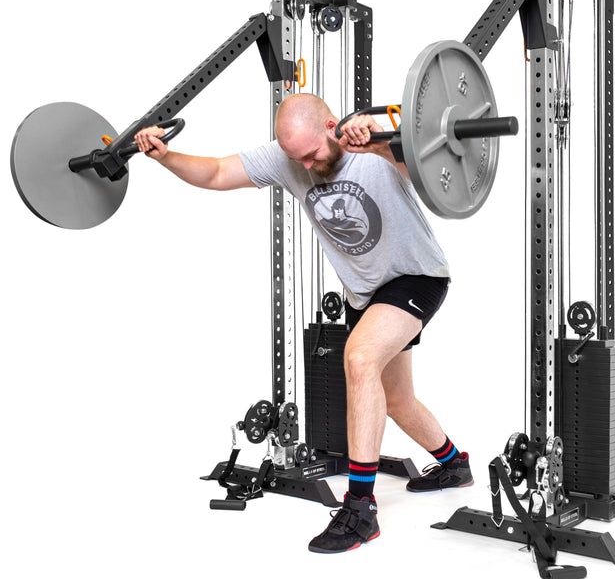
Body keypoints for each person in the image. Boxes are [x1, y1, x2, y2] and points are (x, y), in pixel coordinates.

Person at [134, 93, 473, 553]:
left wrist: (381, 145)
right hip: (365, 294)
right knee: (395, 399)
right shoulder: (288, 157)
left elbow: (436, 175)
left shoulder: (374, 136)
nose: (309, 166)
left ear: (332, 125)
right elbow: (215, 173)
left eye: (313, 153)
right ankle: (454, 465)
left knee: (358, 358)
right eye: (298, 159)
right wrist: (165, 156)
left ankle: (360, 510)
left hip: (417, 276)